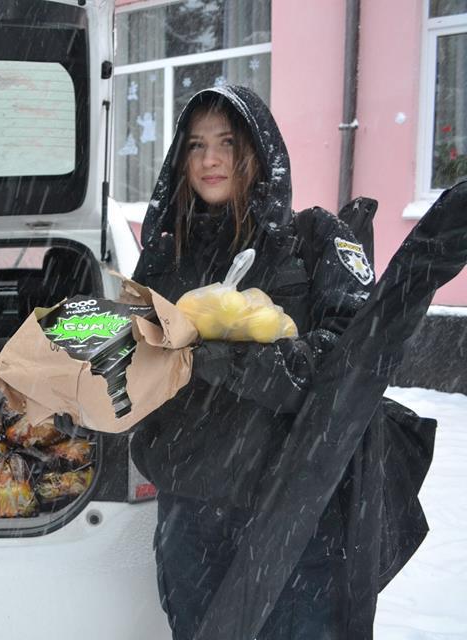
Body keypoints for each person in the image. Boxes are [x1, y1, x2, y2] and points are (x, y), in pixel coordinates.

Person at [130, 85, 377, 639]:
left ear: (259, 151)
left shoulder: (313, 240)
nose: (210, 160)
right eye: (196, 146)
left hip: (293, 508)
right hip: (190, 511)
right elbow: (136, 358)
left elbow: (359, 356)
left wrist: (247, 360)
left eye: (226, 142)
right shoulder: (166, 254)